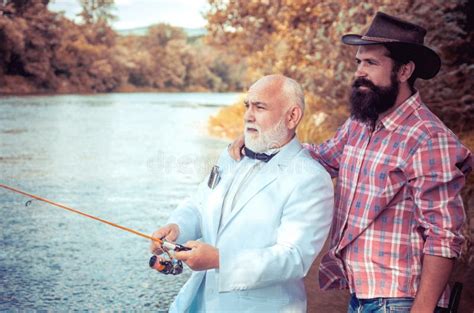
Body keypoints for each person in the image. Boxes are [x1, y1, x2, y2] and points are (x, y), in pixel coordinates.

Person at [229, 12, 472, 312]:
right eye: (358, 62)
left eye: (371, 63)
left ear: (405, 70)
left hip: (399, 300)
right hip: (360, 294)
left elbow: (444, 236)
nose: (360, 72)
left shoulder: (428, 138)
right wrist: (261, 140)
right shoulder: (360, 123)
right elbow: (318, 159)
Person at [150, 74, 334, 312]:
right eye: (247, 105)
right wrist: (176, 228)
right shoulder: (232, 154)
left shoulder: (311, 178)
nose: (248, 115)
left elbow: (293, 258)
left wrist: (220, 260)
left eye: (260, 107)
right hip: (198, 302)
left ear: (292, 116)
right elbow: (199, 204)